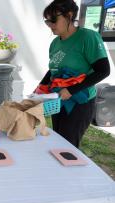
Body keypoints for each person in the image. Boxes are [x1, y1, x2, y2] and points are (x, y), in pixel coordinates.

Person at [35, 0, 110, 147]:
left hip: (79, 103)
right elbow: (53, 70)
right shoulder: (55, 43)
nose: (50, 25)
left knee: (68, 147)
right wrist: (40, 87)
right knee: (57, 143)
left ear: (69, 15)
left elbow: (103, 70)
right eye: (47, 21)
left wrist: (71, 90)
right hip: (59, 101)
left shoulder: (88, 38)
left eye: (53, 20)